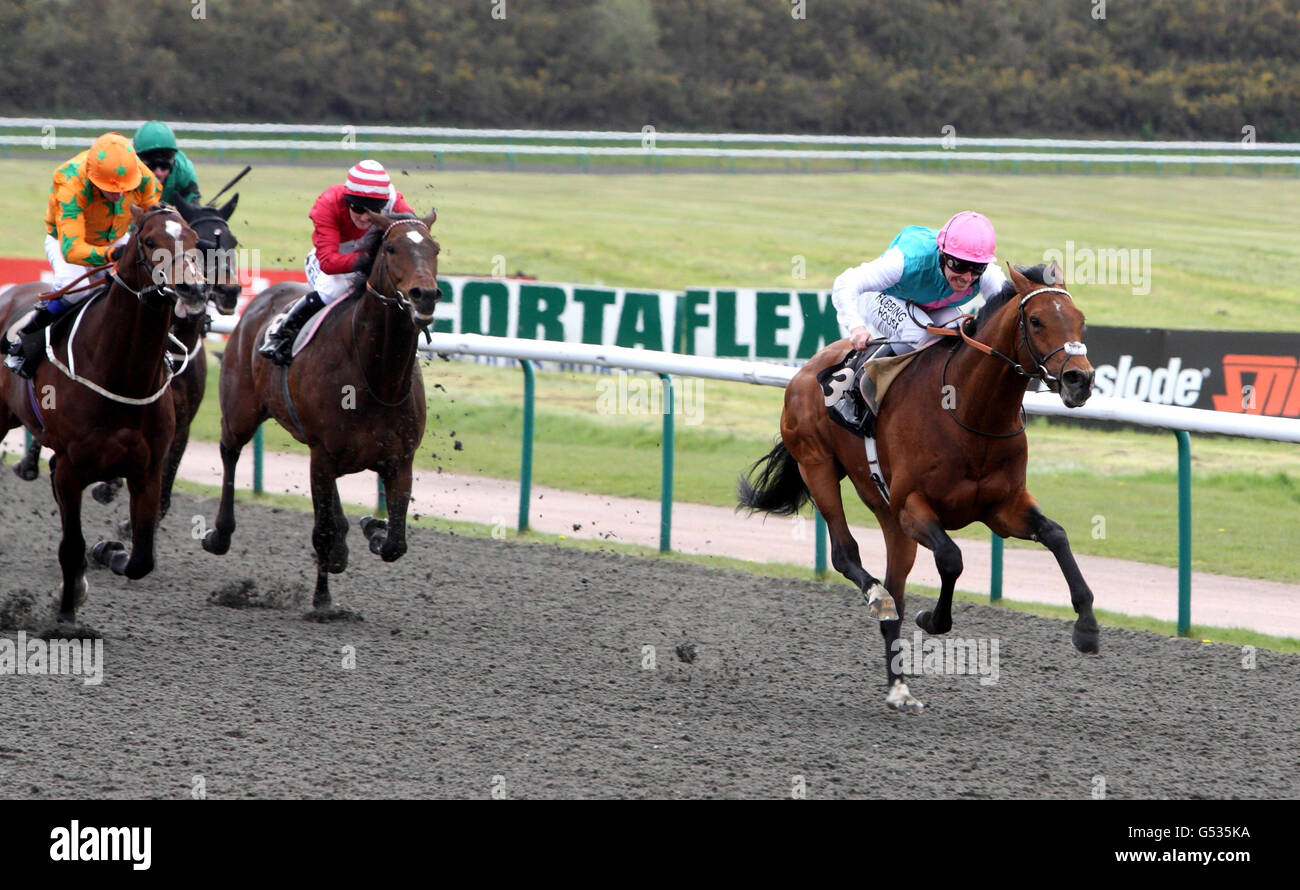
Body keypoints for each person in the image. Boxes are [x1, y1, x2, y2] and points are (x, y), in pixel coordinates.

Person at [826, 211, 1010, 429]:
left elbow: (1008, 312)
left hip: (935, 305)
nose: (967, 277)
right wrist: (856, 327)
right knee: (918, 334)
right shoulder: (905, 261)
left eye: (977, 268)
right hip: (885, 297)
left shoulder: (988, 276)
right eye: (958, 265)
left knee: (958, 332)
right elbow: (845, 283)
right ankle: (855, 386)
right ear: (942, 255)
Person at [5, 132, 161, 377]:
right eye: (110, 190)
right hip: (66, 240)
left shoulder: (136, 173)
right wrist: (113, 254)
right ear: (93, 179)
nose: (119, 195)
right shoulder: (69, 182)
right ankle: (26, 339)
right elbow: (73, 249)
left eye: (124, 189)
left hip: (117, 236)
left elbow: (154, 214)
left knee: (143, 282)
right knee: (77, 289)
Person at [259, 159, 414, 365]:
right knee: (331, 291)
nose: (366, 218)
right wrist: (372, 261)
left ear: (384, 204)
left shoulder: (395, 203)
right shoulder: (328, 203)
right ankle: (282, 333)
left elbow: (417, 237)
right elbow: (329, 263)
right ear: (347, 200)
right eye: (358, 208)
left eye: (374, 209)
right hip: (333, 264)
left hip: (373, 260)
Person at [132, 121, 201, 206]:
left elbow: (193, 209)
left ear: (173, 163)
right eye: (151, 166)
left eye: (164, 165)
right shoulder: (126, 173)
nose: (158, 173)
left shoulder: (184, 172)